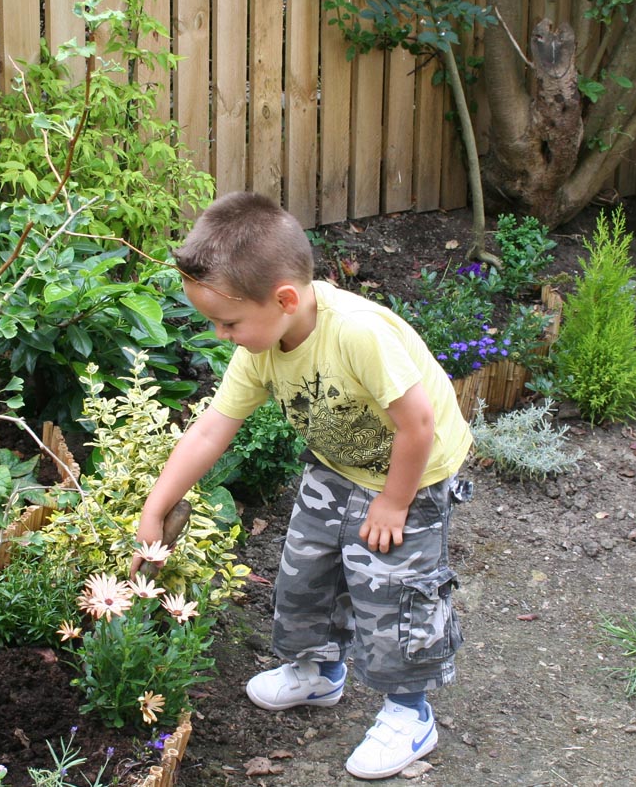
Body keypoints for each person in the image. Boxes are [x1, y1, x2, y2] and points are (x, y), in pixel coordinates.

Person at [131, 191, 473, 780]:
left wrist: (394, 502)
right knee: (305, 572)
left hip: (412, 472)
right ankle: (317, 674)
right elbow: (212, 429)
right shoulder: (261, 344)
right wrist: (156, 505)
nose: (219, 335)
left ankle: (409, 714)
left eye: (228, 321)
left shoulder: (359, 333)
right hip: (337, 465)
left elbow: (418, 425)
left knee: (393, 592)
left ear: (285, 299)